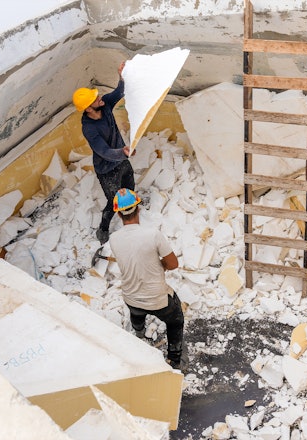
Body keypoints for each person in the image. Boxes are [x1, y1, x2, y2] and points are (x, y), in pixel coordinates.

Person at [107, 188, 185, 369]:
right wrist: (161, 265)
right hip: (158, 300)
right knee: (176, 319)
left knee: (137, 312)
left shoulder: (114, 238)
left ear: (118, 215)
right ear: (138, 209)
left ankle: (139, 332)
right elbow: (173, 264)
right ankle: (174, 359)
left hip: (131, 298)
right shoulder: (153, 235)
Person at [73, 60, 135, 244]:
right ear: (88, 108)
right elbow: (104, 151)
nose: (100, 97)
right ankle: (103, 229)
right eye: (95, 98)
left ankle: (132, 215)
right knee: (114, 202)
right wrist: (123, 152)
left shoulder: (105, 104)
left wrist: (121, 76)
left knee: (130, 187)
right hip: (107, 169)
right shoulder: (89, 128)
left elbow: (119, 92)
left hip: (121, 160)